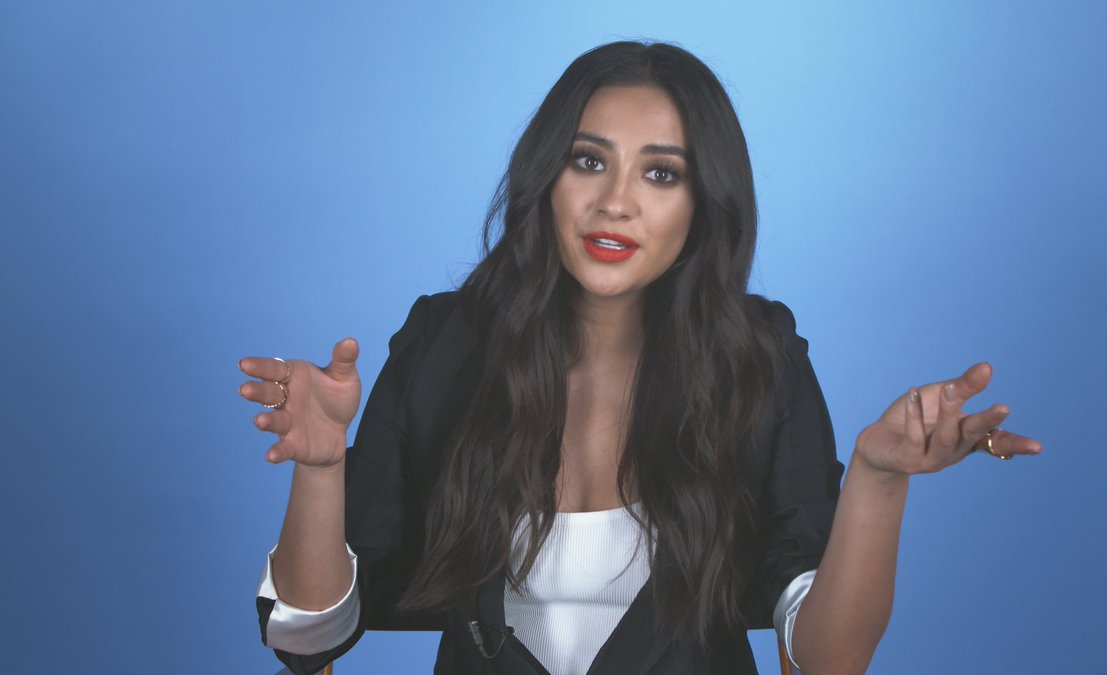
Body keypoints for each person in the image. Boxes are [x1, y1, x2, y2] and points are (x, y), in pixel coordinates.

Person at [239, 41, 1042, 675]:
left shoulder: (760, 363)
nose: (615, 201)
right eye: (588, 160)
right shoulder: (446, 346)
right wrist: (321, 469)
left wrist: (878, 476)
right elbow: (308, 641)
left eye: (661, 173)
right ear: (546, 176)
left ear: (704, 203)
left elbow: (829, 661)